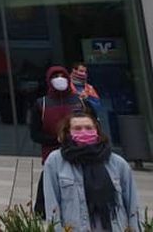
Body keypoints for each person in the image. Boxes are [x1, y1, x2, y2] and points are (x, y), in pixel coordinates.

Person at [43, 111, 140, 231]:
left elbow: (132, 205)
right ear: (68, 132)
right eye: (77, 128)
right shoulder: (55, 162)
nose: (84, 131)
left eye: (89, 128)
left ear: (97, 131)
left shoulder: (118, 163)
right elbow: (52, 206)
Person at [30, 65, 82, 216]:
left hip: (79, 152)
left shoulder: (79, 101)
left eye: (62, 75)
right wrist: (58, 140)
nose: (59, 79)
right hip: (52, 154)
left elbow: (93, 125)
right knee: (48, 186)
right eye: (55, 76)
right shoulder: (42, 104)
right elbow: (35, 134)